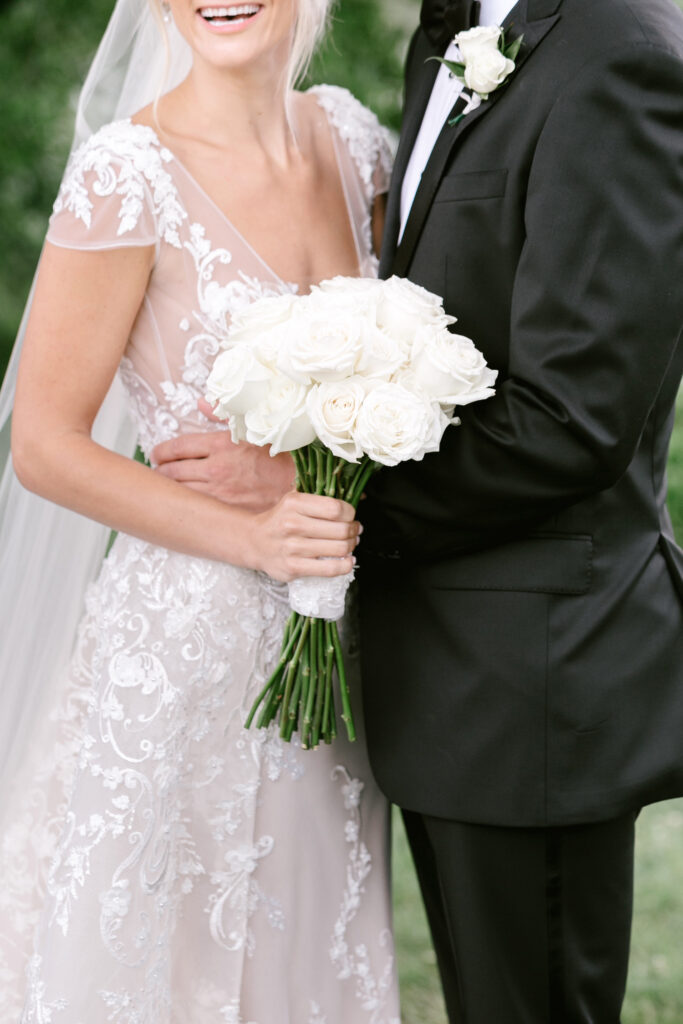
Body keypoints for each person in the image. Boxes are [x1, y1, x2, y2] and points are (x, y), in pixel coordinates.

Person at [0, 1, 401, 1021]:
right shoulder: (125, 176)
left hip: (332, 646)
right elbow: (44, 444)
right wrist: (253, 532)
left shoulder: (355, 143)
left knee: (306, 953)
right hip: (180, 652)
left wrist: (307, 493)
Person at [356, 0, 683, 1021]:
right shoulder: (445, 31)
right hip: (437, 669)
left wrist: (335, 503)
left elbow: (572, 417)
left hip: (533, 672)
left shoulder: (620, 54)